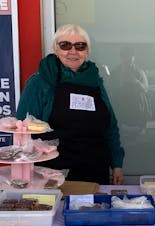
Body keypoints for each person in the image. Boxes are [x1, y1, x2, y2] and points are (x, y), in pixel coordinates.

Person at [16, 24, 125, 184]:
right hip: (53, 173)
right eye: (65, 45)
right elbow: (23, 131)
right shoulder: (40, 82)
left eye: (80, 46)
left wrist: (116, 164)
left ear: (87, 51)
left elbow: (110, 127)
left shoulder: (94, 81)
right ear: (56, 49)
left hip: (94, 170)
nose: (73, 51)